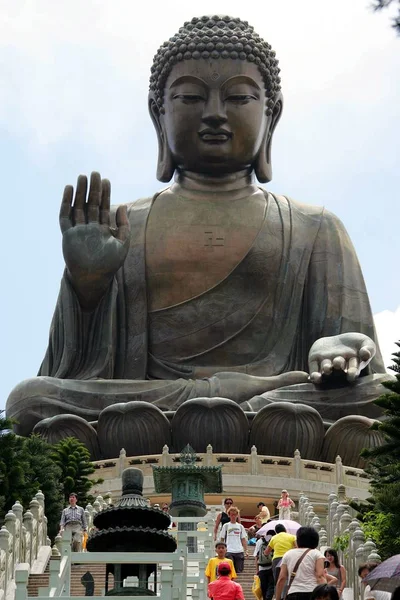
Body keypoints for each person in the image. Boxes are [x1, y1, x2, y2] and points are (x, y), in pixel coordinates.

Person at [6, 16, 389, 467]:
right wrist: (87, 288)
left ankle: (245, 404)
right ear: (158, 113)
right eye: (189, 96)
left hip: (280, 401)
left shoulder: (316, 226)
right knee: (29, 400)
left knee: (383, 399)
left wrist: (338, 350)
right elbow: (68, 373)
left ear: (272, 112)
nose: (214, 113)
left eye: (239, 97)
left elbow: (359, 366)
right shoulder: (123, 226)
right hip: (150, 407)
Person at [275, 526, 327, 600]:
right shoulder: (317, 554)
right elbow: (320, 576)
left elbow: (282, 578)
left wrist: (277, 598)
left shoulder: (288, 554)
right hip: (312, 593)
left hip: (293, 594)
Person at [220, 506, 248, 574]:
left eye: (235, 514)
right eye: (232, 514)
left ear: (237, 515)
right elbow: (222, 538)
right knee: (229, 571)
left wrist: (246, 550)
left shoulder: (240, 526)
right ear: (229, 515)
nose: (233, 516)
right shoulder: (226, 526)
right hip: (229, 550)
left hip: (239, 550)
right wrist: (221, 550)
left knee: (239, 571)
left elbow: (243, 539)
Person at [255, 529, 275, 600]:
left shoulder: (260, 541)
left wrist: (257, 569)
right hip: (271, 567)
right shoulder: (274, 540)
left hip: (261, 568)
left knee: (263, 586)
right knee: (271, 585)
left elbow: (257, 556)